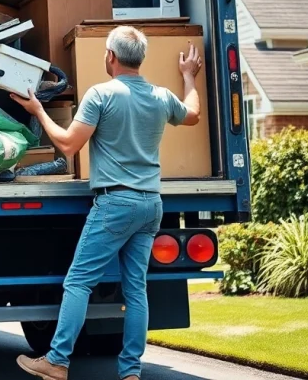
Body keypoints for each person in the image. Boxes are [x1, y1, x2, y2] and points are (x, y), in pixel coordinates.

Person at [10, 26, 202, 380]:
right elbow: (193, 114)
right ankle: (130, 372)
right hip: (151, 204)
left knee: (78, 282)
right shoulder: (160, 97)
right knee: (136, 290)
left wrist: (38, 110)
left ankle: (57, 361)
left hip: (116, 204)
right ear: (138, 59)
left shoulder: (101, 94)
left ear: (111, 57)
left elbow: (68, 145)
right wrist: (188, 77)